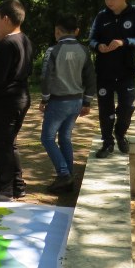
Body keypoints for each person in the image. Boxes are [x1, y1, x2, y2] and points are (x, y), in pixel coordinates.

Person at [88, 0, 135, 158]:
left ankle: (120, 134)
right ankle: (107, 143)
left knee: (126, 108)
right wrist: (97, 46)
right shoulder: (101, 17)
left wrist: (124, 42)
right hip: (104, 71)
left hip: (126, 71)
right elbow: (91, 39)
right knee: (105, 110)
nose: (109, 1)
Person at [0, 0, 34, 202]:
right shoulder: (25, 40)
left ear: (5, 18)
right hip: (20, 97)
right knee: (9, 144)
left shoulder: (7, 43)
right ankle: (18, 185)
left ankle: (4, 188)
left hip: (5, 102)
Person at [39, 14, 96, 193]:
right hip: (76, 101)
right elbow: (91, 77)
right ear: (77, 31)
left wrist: (44, 98)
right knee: (65, 137)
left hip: (58, 101)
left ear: (57, 31)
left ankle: (64, 174)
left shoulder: (53, 51)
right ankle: (69, 175)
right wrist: (87, 101)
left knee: (47, 138)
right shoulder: (84, 51)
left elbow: (46, 76)